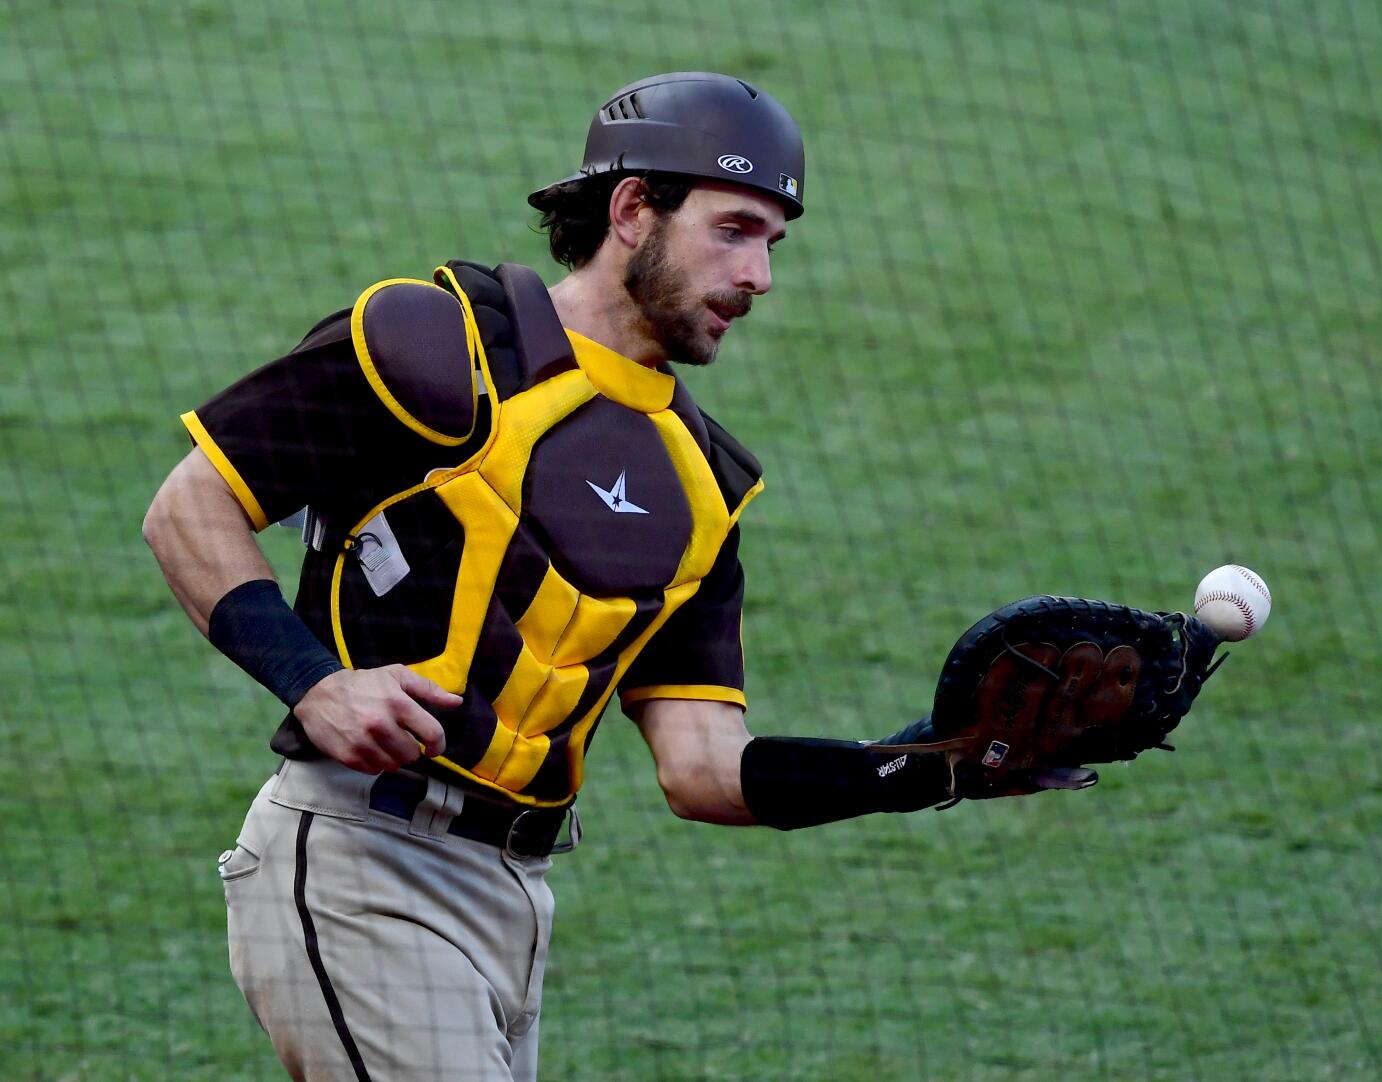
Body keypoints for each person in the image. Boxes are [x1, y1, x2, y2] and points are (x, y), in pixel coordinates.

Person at [144, 71, 1085, 1082]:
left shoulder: (704, 484)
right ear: (633, 208)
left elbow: (704, 766)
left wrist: (927, 767)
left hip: (515, 898)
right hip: (355, 861)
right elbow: (189, 507)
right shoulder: (431, 345)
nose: (759, 274)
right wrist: (315, 681)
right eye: (733, 230)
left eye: (774, 242)